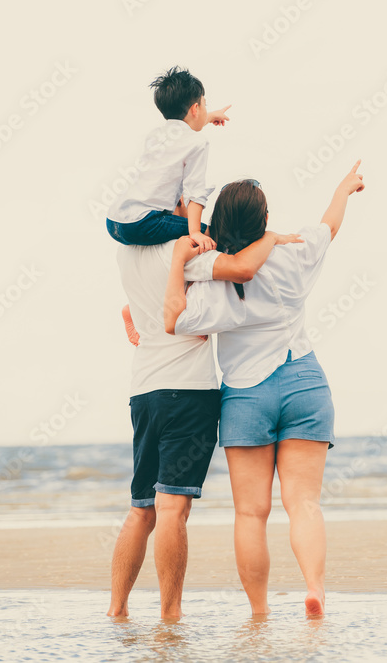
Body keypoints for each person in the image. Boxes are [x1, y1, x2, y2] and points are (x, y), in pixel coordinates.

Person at [163, 161, 366, 616]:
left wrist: (183, 264)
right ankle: (314, 588)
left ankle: (259, 612)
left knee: (251, 514)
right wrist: (343, 188)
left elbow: (174, 319)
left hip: (246, 395)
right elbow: (329, 225)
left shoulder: (213, 279)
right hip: (305, 384)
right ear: (265, 218)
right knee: (304, 504)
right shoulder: (294, 252)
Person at [106, 211, 303, 621]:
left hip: (143, 390)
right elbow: (244, 269)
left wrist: (131, 323)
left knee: (141, 508)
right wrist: (272, 237)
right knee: (172, 509)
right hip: (187, 392)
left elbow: (129, 308)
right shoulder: (187, 252)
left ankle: (117, 610)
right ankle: (170, 615)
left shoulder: (129, 255)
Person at [105, 66, 230, 345]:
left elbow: (183, 127)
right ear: (195, 108)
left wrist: (211, 115)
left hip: (115, 221)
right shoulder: (198, 142)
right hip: (142, 222)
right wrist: (197, 232)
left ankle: (131, 307)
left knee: (174, 234)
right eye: (205, 104)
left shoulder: (157, 135)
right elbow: (195, 193)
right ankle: (191, 311)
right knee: (209, 238)